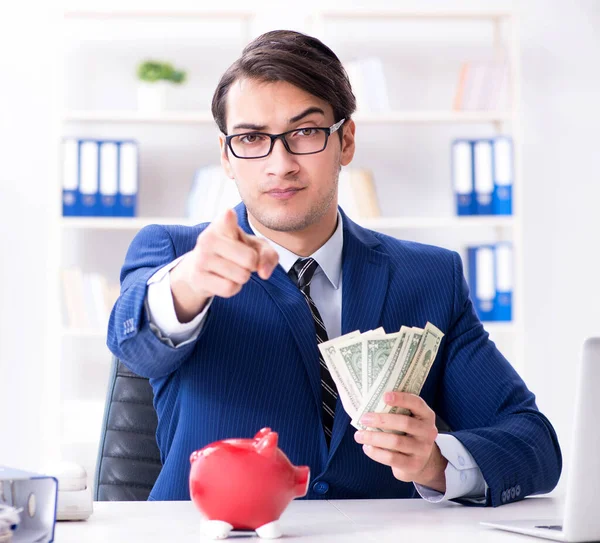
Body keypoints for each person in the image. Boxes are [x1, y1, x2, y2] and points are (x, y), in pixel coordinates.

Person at [107, 30, 561, 505]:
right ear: (227, 156)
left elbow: (535, 444)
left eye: (304, 132)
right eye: (251, 138)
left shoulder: (429, 278)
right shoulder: (176, 256)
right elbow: (134, 345)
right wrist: (186, 284)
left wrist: (437, 463)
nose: (279, 164)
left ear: (345, 141)